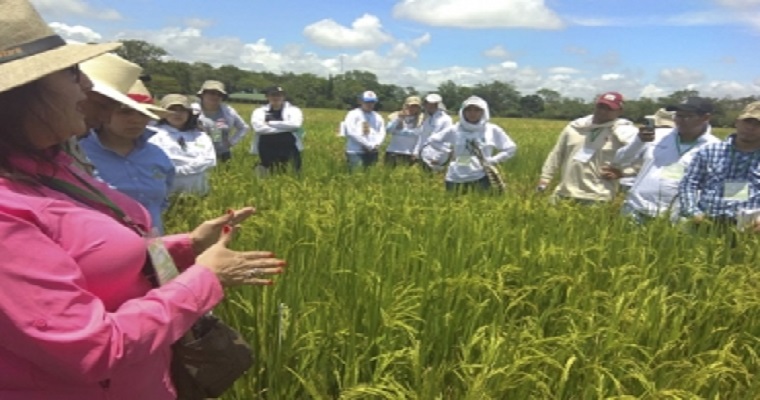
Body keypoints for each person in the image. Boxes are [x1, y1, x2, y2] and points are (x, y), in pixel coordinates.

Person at [0, 1, 285, 399]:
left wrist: (186, 246)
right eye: (71, 73)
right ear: (22, 94)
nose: (86, 86)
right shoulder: (7, 209)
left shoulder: (51, 165)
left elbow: (92, 257)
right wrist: (204, 279)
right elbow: (92, 349)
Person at [78, 53, 175, 234]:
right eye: (125, 113)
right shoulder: (78, 153)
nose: (135, 120)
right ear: (106, 113)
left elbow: (162, 201)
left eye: (143, 114)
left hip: (155, 243)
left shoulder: (158, 155)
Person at [613, 98, 720, 223]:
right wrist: (638, 141)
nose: (681, 121)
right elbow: (620, 160)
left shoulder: (715, 147)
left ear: (705, 118)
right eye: (678, 116)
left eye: (688, 116)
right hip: (636, 208)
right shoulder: (657, 135)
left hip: (677, 217)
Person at [537, 91, 638, 204]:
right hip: (564, 191)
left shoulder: (624, 131)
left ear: (619, 111)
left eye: (609, 109)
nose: (602, 111)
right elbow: (557, 153)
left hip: (598, 196)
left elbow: (645, 155)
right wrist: (545, 178)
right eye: (600, 106)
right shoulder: (575, 127)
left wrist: (623, 173)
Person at [679, 101, 760, 229]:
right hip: (706, 223)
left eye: (758, 124)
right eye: (747, 122)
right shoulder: (708, 151)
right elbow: (689, 183)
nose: (751, 128)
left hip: (750, 228)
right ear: (737, 122)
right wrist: (693, 212)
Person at [424, 96, 516, 193]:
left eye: (477, 110)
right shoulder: (455, 129)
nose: (472, 113)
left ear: (483, 112)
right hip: (456, 174)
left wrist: (493, 160)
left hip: (482, 175)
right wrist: (448, 152)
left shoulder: (491, 129)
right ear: (463, 112)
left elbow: (510, 148)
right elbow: (433, 140)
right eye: (469, 110)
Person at [149, 94, 217, 196]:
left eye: (182, 110)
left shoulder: (200, 135)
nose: (177, 114)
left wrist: (179, 169)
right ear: (163, 113)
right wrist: (190, 166)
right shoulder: (153, 134)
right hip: (167, 193)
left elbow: (210, 160)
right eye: (172, 109)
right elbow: (156, 163)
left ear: (189, 113)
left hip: (198, 192)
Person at [250, 85, 304, 175]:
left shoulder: (294, 110)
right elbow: (259, 129)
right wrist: (286, 128)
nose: (276, 97)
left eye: (279, 95)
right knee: (270, 173)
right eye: (273, 95)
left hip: (289, 147)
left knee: (294, 172)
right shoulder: (259, 111)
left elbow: (295, 125)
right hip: (267, 147)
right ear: (267, 97)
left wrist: (271, 123)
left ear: (283, 97)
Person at [194, 80, 250, 162]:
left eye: (219, 94)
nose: (215, 96)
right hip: (198, 154)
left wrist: (232, 141)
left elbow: (244, 128)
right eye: (212, 93)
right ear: (202, 94)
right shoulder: (191, 110)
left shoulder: (228, 111)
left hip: (223, 154)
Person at [343, 90, 386, 171]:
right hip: (356, 151)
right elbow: (351, 132)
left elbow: (382, 132)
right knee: (357, 175)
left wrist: (377, 144)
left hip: (373, 151)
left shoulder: (378, 116)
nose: (370, 104)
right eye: (367, 102)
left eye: (372, 102)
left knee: (370, 176)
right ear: (361, 101)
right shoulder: (353, 114)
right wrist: (366, 145)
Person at [384, 95, 424, 167]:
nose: (412, 108)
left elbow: (420, 139)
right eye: (410, 106)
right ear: (405, 106)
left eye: (415, 106)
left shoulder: (421, 120)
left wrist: (415, 152)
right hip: (393, 152)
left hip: (409, 154)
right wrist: (399, 119)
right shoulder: (395, 116)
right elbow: (388, 130)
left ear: (419, 108)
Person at [417, 93, 453, 170]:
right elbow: (422, 137)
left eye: (432, 104)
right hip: (423, 155)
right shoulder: (427, 118)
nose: (429, 106)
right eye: (427, 104)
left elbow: (446, 141)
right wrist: (417, 152)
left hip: (436, 158)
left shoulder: (445, 119)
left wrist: (437, 157)